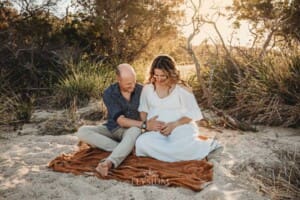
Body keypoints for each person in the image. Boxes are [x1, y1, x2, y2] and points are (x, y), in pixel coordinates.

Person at [75, 63, 163, 176]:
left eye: (134, 82)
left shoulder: (142, 90)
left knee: (135, 130)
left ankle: (110, 162)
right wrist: (145, 125)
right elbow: (120, 121)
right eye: (128, 84)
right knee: (83, 131)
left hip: (132, 130)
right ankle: (125, 149)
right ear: (118, 80)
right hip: (113, 128)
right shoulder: (109, 93)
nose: (133, 86)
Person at [135, 54, 220, 162]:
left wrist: (173, 125)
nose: (159, 79)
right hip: (156, 130)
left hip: (180, 127)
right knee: (141, 143)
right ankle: (180, 154)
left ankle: (208, 146)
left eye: (163, 76)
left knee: (181, 145)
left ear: (171, 73)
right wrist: (147, 125)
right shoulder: (147, 89)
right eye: (156, 75)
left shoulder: (181, 89)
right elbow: (143, 110)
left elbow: (194, 113)